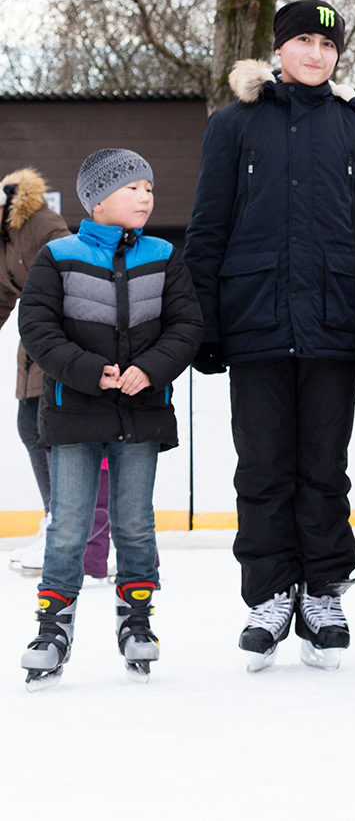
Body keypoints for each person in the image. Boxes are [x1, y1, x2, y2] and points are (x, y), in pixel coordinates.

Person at [185, 0, 355, 672]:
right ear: (279, 49)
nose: (315, 53)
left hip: (334, 323)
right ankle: (270, 594)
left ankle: (324, 594)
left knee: (323, 467)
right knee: (262, 467)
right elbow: (208, 229)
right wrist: (206, 323)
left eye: (327, 45)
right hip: (255, 320)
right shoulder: (233, 126)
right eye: (302, 41)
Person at [16, 149, 201, 686]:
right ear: (98, 199)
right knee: (69, 524)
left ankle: (137, 620)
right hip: (75, 412)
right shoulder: (59, 256)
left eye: (149, 187)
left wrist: (150, 369)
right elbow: (39, 329)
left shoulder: (164, 255)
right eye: (133, 187)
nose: (146, 196)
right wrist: (89, 371)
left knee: (136, 524)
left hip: (141, 413)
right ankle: (53, 627)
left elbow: (186, 327)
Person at [0, 168, 75, 576]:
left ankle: (65, 526)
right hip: (32, 346)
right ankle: (56, 519)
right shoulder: (5, 237)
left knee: (47, 429)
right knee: (30, 426)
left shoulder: (42, 222)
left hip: (61, 341)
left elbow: (72, 272)